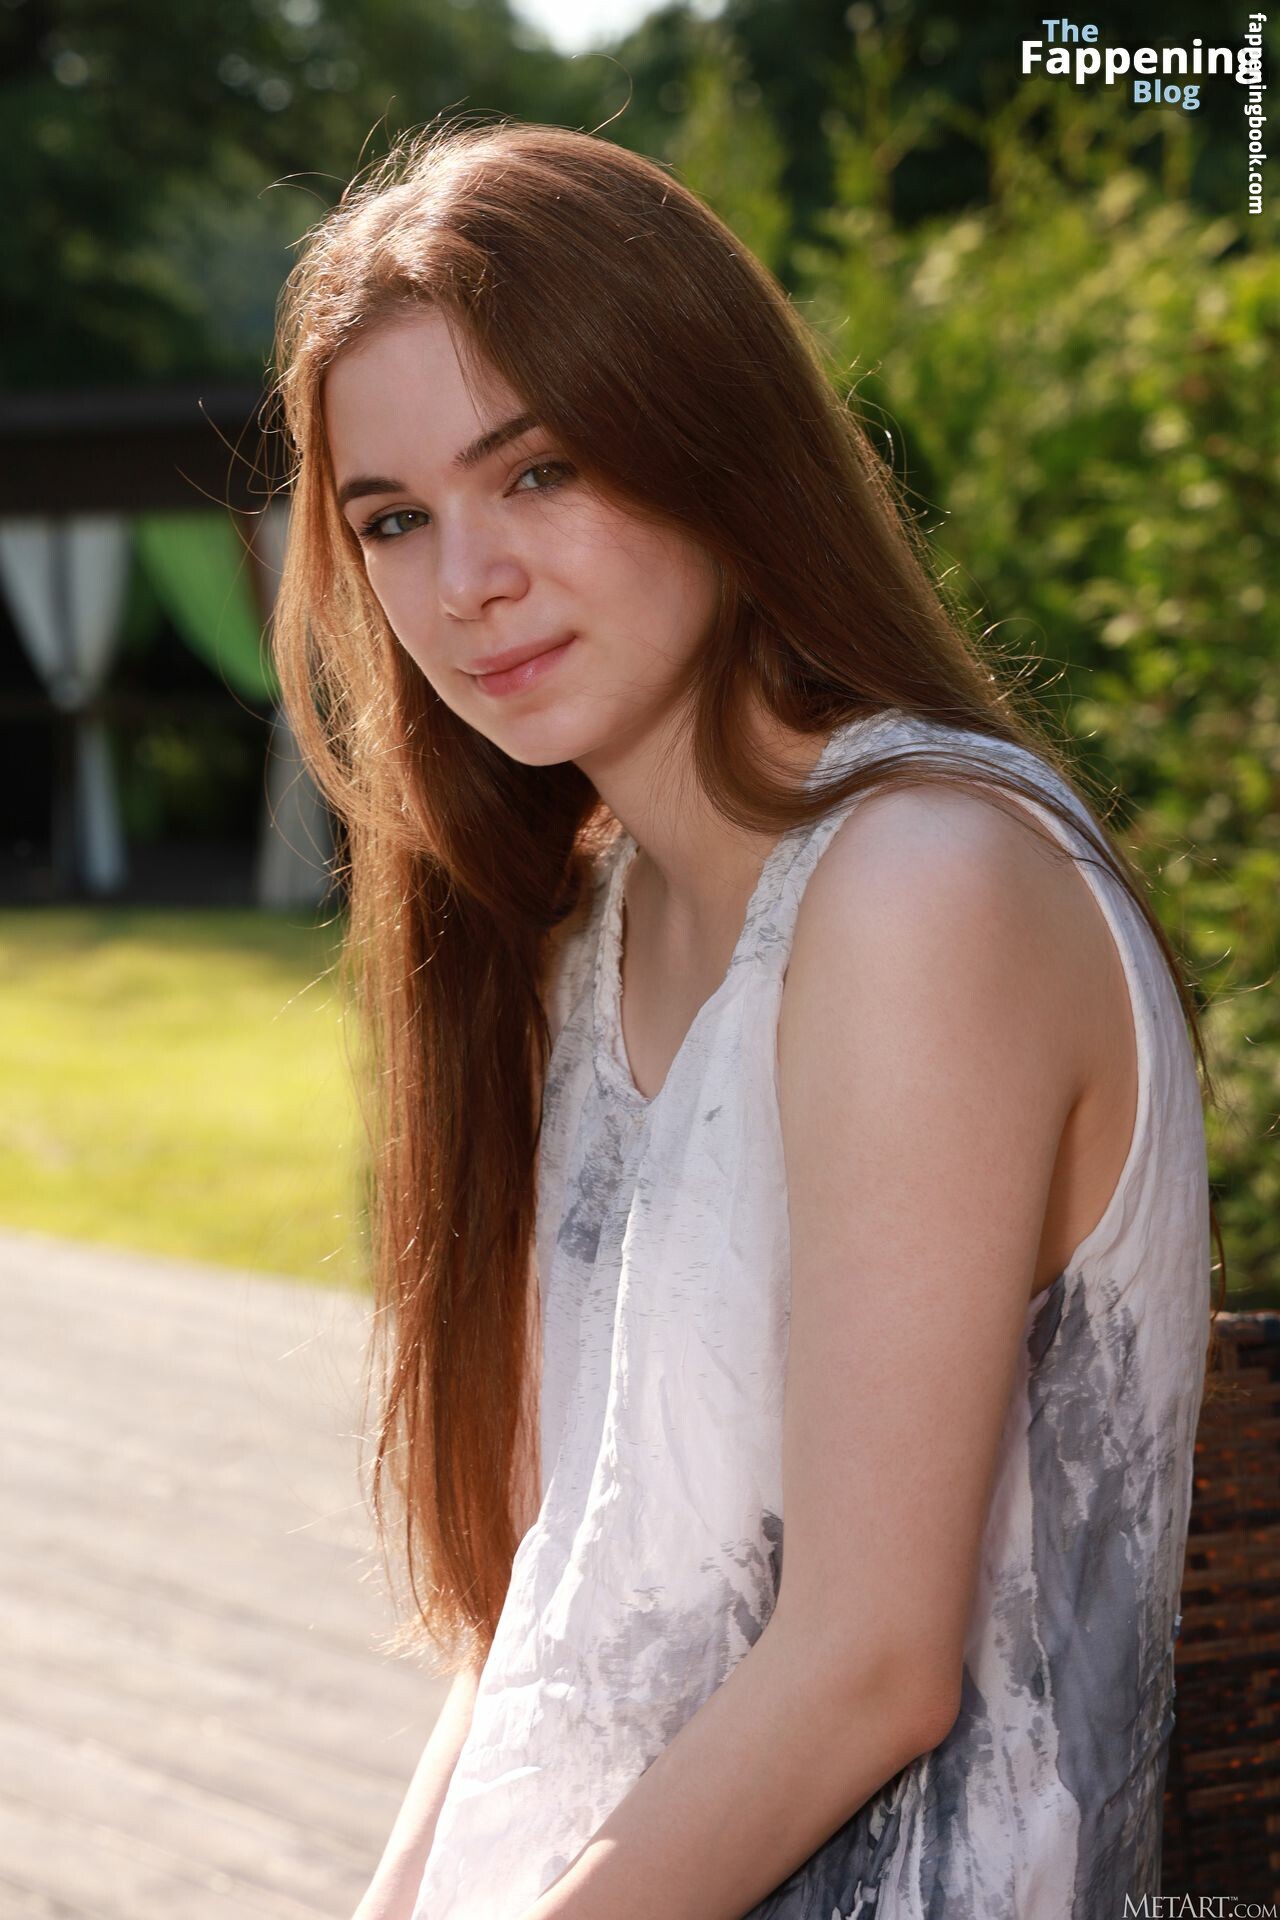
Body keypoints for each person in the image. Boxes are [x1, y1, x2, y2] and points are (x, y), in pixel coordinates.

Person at [265, 115, 1222, 1920]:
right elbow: (549, 1611)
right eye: (394, 519)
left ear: (709, 440)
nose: (465, 583)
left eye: (536, 472)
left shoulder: (925, 886)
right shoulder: (586, 922)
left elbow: (869, 1667)